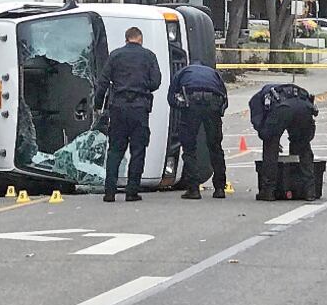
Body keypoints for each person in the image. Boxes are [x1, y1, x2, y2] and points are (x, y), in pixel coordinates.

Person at [94, 26, 162, 202]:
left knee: (115, 150)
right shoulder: (149, 56)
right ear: (140, 39)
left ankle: (109, 192)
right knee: (138, 150)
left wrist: (97, 104)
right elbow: (156, 82)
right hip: (140, 108)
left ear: (126, 39)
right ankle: (132, 191)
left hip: (118, 108)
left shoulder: (115, 55)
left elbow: (102, 82)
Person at [168, 62, 228, 200]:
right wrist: (218, 112)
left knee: (189, 148)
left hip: (191, 104)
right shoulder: (214, 74)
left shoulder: (182, 72)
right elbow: (225, 98)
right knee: (215, 147)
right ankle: (220, 188)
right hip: (213, 102)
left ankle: (193, 189)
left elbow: (171, 97)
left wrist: (182, 107)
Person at [248, 83, 318, 201]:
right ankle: (309, 190)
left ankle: (269, 190)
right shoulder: (297, 91)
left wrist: (271, 137)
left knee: (270, 149)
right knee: (303, 147)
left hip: (282, 108)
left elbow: (260, 125)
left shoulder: (257, 100)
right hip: (304, 108)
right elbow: (308, 134)